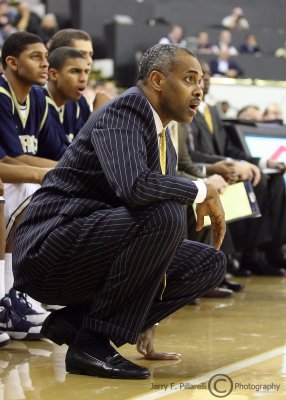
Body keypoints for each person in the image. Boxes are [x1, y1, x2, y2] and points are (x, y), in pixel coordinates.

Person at [13, 44, 226, 379]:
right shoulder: (125, 110)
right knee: (166, 213)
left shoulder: (161, 133)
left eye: (200, 81)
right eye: (189, 79)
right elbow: (135, 187)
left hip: (91, 242)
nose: (199, 89)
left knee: (209, 263)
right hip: (49, 247)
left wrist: (145, 314)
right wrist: (201, 189)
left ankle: (75, 324)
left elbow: (154, 235)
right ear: (157, 80)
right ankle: (91, 346)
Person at [0, 31, 67, 337]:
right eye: (36, 57)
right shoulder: (2, 94)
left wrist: (66, 171)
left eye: (46, 56)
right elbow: (12, 160)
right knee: (31, 188)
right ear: (11, 63)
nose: (45, 63)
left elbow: (38, 156)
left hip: (12, 179)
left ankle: (23, 293)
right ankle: (8, 295)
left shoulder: (38, 97)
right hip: (7, 182)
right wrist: (51, 174)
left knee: (47, 188)